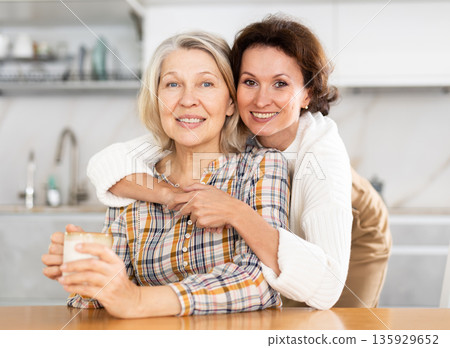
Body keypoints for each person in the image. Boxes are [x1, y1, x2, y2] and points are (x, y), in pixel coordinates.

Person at [49, 15, 391, 309]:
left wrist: (236, 213)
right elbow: (109, 163)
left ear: (308, 94)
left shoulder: (313, 158)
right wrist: (90, 271)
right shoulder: (210, 130)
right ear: (236, 91)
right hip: (268, 251)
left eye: (281, 84)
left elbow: (321, 285)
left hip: (356, 229)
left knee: (333, 323)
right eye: (250, 82)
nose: (261, 99)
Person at [41, 32, 290, 318]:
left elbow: (261, 282)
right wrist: (87, 273)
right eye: (173, 84)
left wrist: (137, 300)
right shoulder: (134, 180)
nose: (187, 100)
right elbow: (103, 298)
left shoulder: (261, 167)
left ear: (231, 103)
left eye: (206, 84)